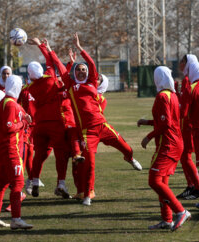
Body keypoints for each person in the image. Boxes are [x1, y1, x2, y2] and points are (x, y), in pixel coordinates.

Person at [49, 33, 141, 206]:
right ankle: (87, 195)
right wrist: (49, 50)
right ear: (74, 72)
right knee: (89, 163)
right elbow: (61, 68)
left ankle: (129, 158)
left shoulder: (92, 83)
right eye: (78, 70)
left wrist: (80, 48)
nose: (82, 71)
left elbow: (91, 63)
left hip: (103, 126)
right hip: (87, 132)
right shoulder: (71, 85)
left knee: (126, 147)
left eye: (84, 70)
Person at [137, 66, 190, 231]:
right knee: (162, 182)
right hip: (175, 142)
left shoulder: (162, 96)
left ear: (157, 79)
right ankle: (167, 220)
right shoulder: (172, 95)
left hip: (168, 144)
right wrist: (147, 122)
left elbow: (166, 124)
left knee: (154, 180)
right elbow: (169, 122)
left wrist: (149, 136)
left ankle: (181, 211)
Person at [26, 37, 73, 199]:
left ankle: (35, 180)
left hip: (40, 125)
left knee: (39, 154)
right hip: (55, 123)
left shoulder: (31, 88)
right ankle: (61, 183)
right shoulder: (50, 78)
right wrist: (41, 44)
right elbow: (50, 61)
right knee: (61, 154)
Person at [0, 75, 33, 230]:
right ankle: (16, 219)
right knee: (18, 183)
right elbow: (9, 127)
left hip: (4, 149)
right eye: (20, 85)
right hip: (11, 149)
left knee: (2, 183)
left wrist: (24, 118)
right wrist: (23, 122)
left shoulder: (6, 102)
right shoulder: (10, 104)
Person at [175, 54, 199, 200]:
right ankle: (192, 186)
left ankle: (194, 186)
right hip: (189, 125)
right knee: (185, 157)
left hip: (190, 126)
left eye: (182, 61)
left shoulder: (188, 83)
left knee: (187, 156)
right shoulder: (187, 81)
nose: (180, 64)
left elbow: (184, 108)